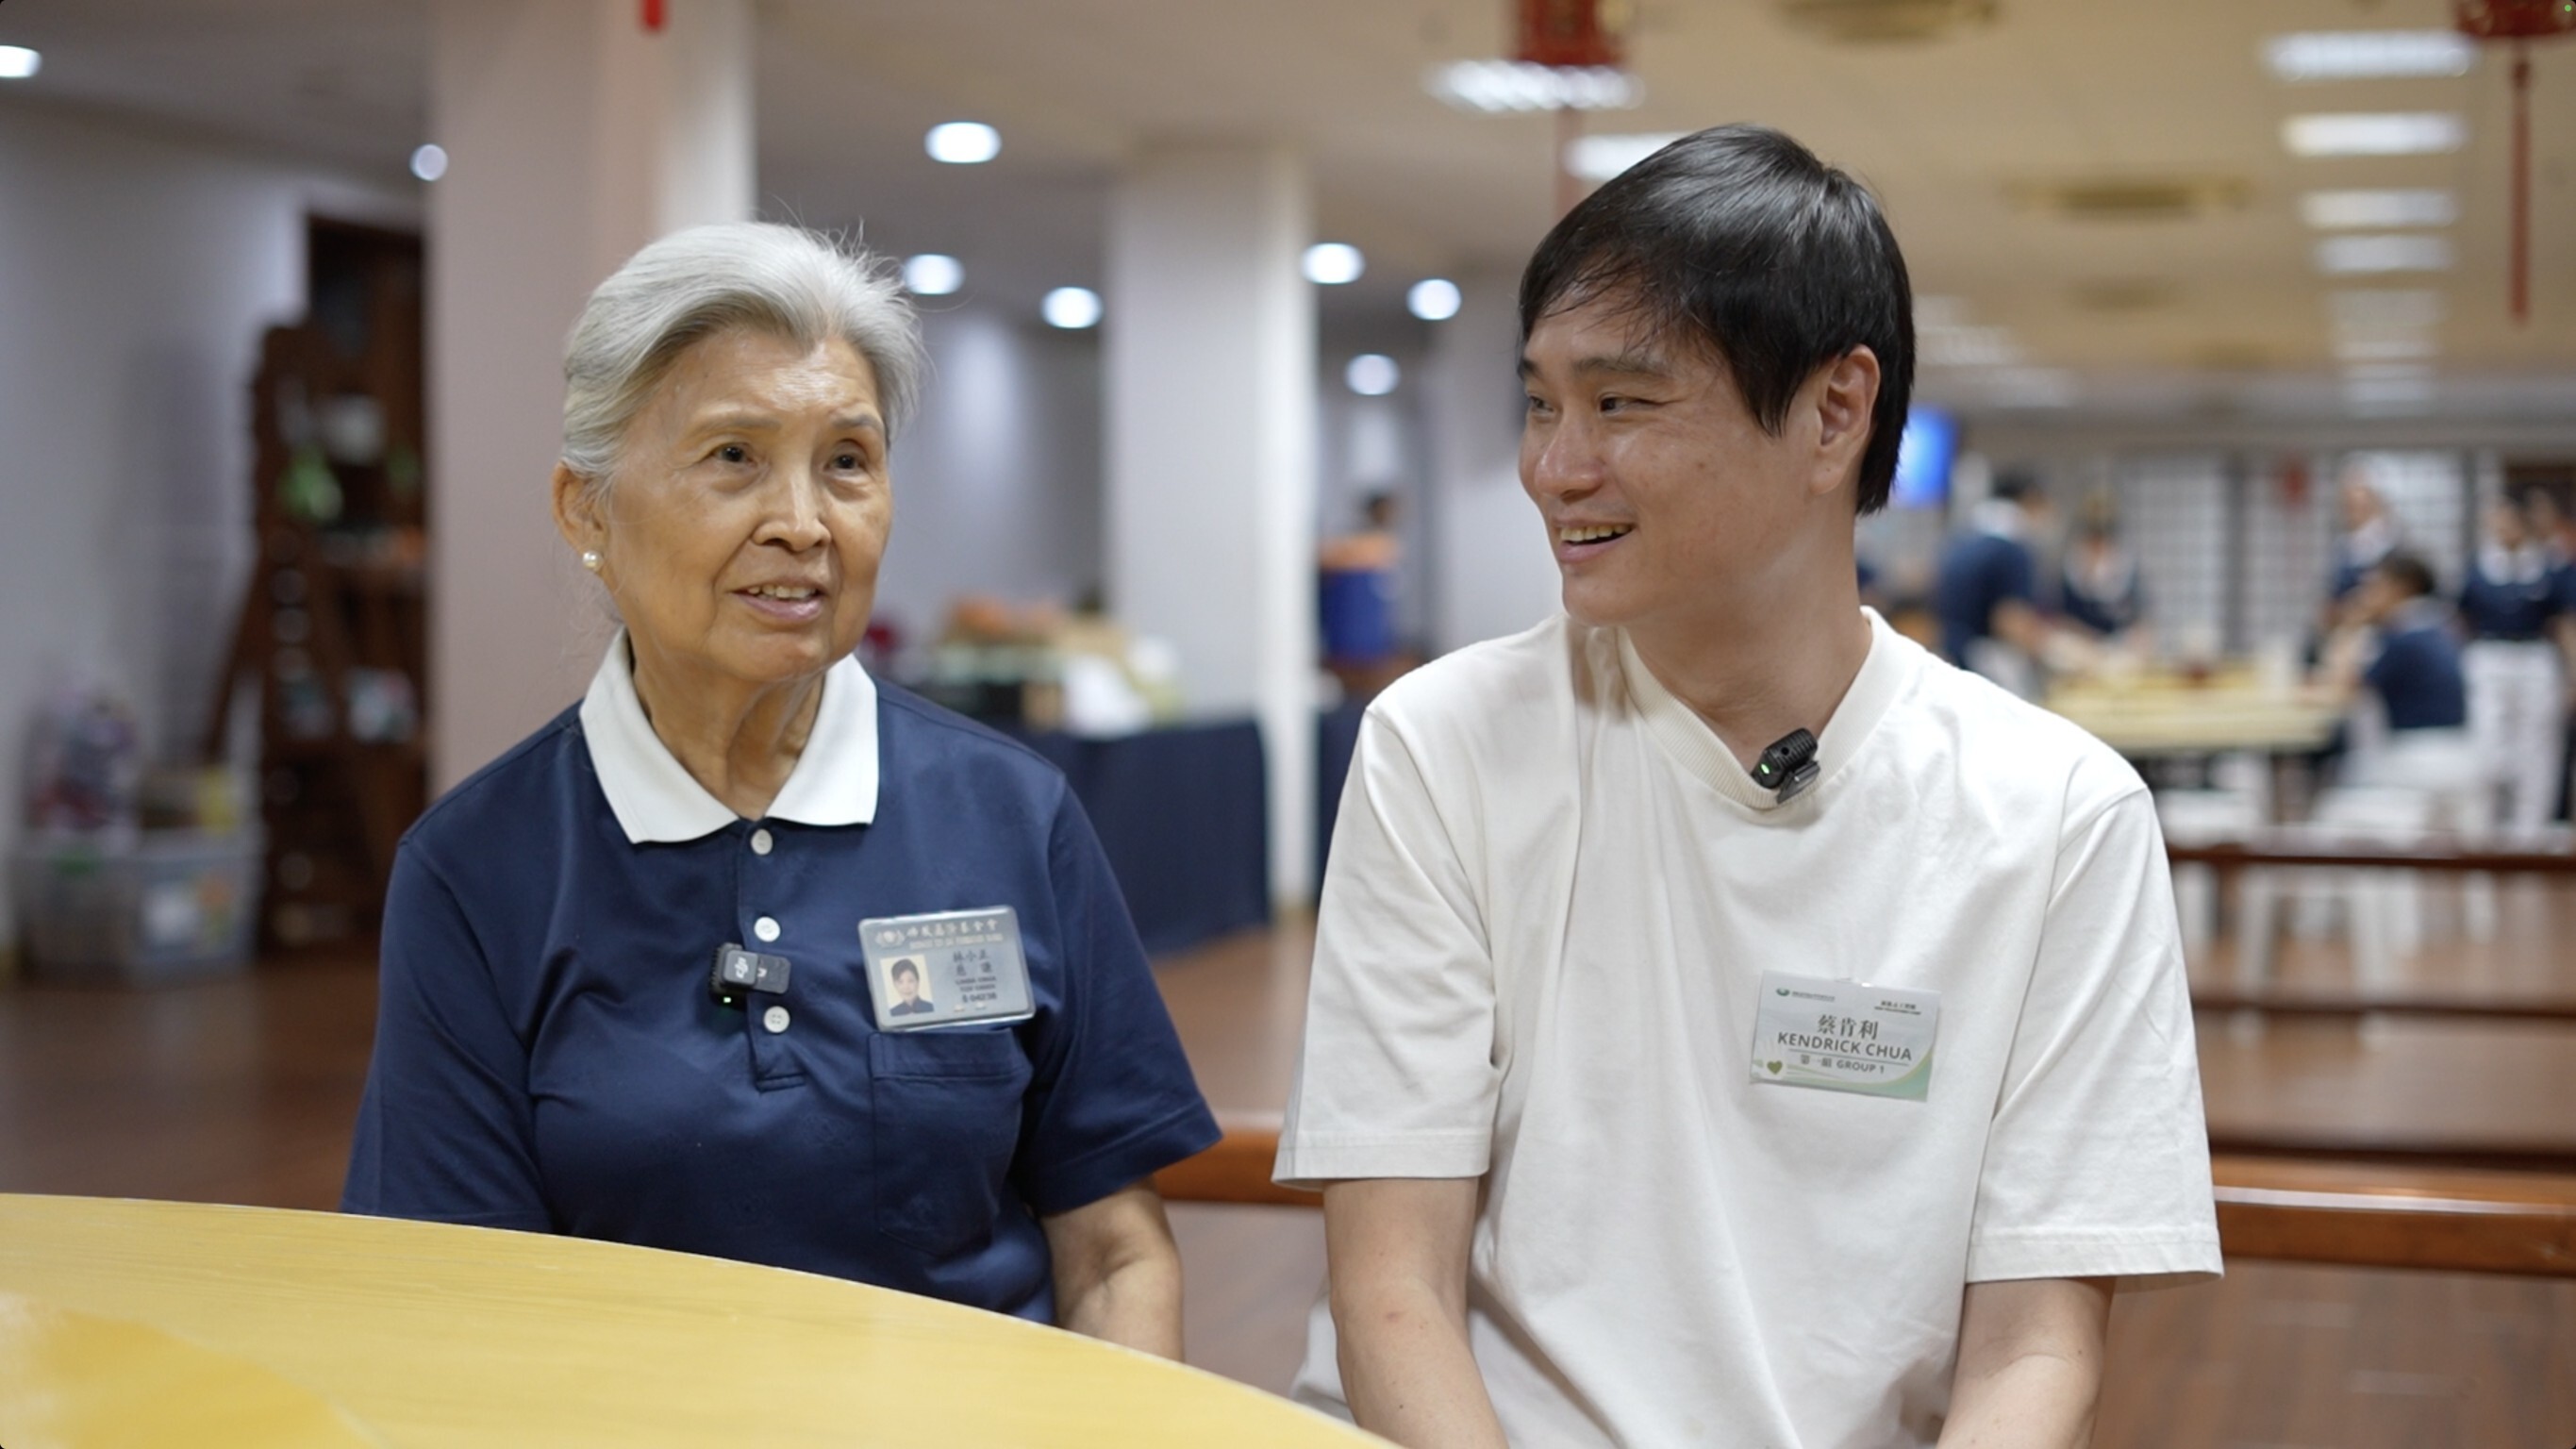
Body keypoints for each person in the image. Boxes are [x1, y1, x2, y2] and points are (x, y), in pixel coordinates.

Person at [1274, 124, 2219, 1449]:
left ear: (1833, 412)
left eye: (1622, 402)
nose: (1552, 466)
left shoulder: (2056, 816)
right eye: (1539, 402)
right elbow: (1390, 1288)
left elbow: (2033, 1351)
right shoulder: (1441, 744)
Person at [341, 222, 1219, 1355]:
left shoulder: (1009, 814)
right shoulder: (479, 869)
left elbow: (1114, 1252)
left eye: (846, 460)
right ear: (586, 511)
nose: (803, 524)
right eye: (733, 459)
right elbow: (449, 1301)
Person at [2457, 494, 2564, 837]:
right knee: (2487, 746)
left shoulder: (2547, 568)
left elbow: (2564, 624)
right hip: (2489, 656)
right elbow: (2460, 620)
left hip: (2534, 658)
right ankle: (2485, 829)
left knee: (2536, 747)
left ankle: (2529, 833)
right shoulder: (2478, 569)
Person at [1933, 469, 2056, 695]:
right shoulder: (2011, 549)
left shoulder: (1965, 538)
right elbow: (2009, 621)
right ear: (2031, 499)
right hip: (1988, 667)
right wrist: (2057, 652)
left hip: (1953, 661)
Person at [2059, 490, 2151, 648]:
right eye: (2094, 539)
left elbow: (2140, 618)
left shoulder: (2125, 566)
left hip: (2120, 645)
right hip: (2080, 644)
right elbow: (2060, 615)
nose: (2099, 545)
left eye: (2104, 539)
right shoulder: (2071, 567)